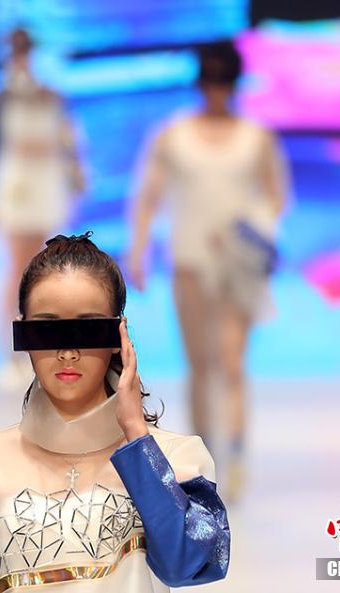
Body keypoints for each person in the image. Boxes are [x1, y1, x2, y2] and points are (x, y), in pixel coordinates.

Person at [0, 234, 230, 592]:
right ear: (22, 331)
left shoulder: (177, 460)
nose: (68, 351)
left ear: (119, 335)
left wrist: (136, 434)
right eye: (46, 330)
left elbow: (186, 565)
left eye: (87, 329)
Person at [127, 40, 290, 501]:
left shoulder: (256, 137)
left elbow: (276, 195)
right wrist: (139, 248)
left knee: (232, 362)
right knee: (200, 365)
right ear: (200, 83)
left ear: (234, 83)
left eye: (224, 81)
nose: (217, 90)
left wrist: (251, 230)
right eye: (210, 80)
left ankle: (235, 457)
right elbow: (148, 194)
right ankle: (207, 459)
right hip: (190, 261)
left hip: (238, 264)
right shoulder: (173, 135)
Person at [0, 28, 86, 388]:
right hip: (15, 183)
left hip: (45, 184)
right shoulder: (1, 99)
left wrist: (76, 179)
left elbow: (69, 142)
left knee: (41, 270)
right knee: (15, 269)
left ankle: (39, 351)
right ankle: (9, 352)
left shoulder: (52, 98)